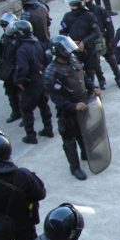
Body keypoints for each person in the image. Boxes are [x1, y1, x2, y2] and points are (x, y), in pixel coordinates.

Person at [44, 35, 101, 180]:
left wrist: (93, 87)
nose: (69, 52)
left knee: (84, 133)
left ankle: (86, 154)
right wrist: (73, 106)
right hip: (68, 112)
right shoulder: (52, 71)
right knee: (69, 141)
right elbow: (55, 97)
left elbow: (84, 77)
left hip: (83, 104)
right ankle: (75, 167)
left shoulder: (73, 60)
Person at [11, 20, 54, 145]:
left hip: (30, 83)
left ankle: (31, 136)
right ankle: (48, 129)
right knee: (44, 106)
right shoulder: (38, 43)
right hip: (41, 79)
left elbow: (22, 69)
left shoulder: (22, 50)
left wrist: (19, 81)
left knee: (26, 109)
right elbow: (47, 58)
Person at [78, 0, 120, 90]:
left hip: (104, 39)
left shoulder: (100, 10)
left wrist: (110, 40)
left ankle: (119, 78)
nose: (87, 0)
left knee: (112, 59)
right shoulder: (82, 13)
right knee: (96, 64)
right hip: (91, 41)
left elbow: (109, 26)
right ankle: (101, 80)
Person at [60, 0, 101, 90]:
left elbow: (96, 33)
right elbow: (62, 32)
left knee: (90, 71)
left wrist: (83, 42)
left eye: (74, 4)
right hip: (74, 50)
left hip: (89, 49)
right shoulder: (67, 16)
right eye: (71, 4)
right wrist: (71, 42)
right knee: (76, 72)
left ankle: (92, 90)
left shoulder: (89, 16)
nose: (72, 7)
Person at [0, 12, 21, 123]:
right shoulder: (3, 39)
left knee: (22, 94)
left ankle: (25, 115)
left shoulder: (19, 38)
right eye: (2, 25)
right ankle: (16, 112)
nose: (4, 27)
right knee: (10, 93)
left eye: (5, 25)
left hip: (17, 69)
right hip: (7, 70)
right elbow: (0, 54)